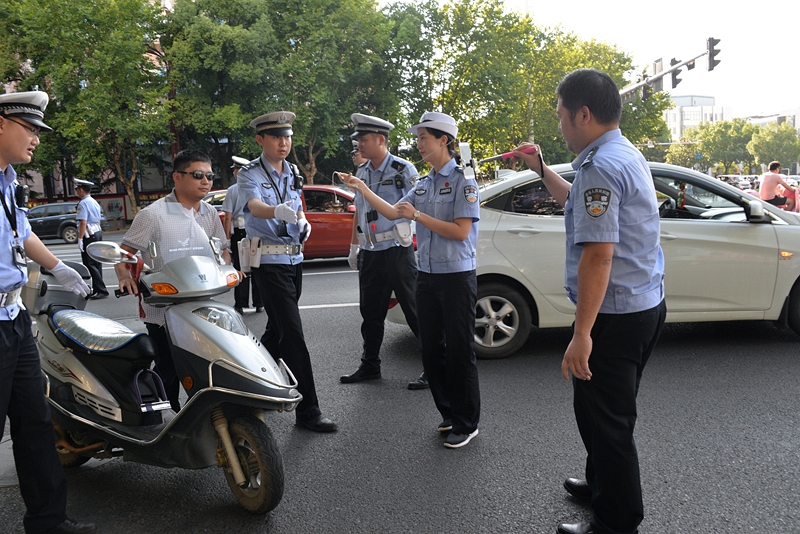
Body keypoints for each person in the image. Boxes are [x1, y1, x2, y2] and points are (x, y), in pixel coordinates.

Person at [513, 68, 666, 534]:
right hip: (640, 305)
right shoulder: (620, 152)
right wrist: (541, 169)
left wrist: (582, 334)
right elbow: (576, 202)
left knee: (608, 422)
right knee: (602, 411)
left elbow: (599, 255)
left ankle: (616, 521)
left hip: (614, 316)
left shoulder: (600, 164)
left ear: (583, 114)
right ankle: (601, 484)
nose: (559, 125)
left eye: (561, 115)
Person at [340, 111, 481, 449]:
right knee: (431, 350)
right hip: (428, 276)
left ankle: (467, 422)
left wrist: (418, 215)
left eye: (423, 138)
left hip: (456, 275)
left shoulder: (463, 181)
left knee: (460, 351)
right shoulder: (425, 182)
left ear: (443, 140)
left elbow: (461, 232)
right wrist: (361, 188)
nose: (418, 144)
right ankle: (449, 413)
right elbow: (392, 212)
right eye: (417, 138)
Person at [0, 90, 96, 533]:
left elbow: (21, 235)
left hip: (14, 318)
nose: (36, 139)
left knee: (35, 423)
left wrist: (59, 267)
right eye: (30, 128)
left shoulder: (9, 182)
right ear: (1, 123)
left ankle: (47, 521)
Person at [237, 111, 338, 433]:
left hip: (294, 260)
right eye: (276, 137)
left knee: (276, 332)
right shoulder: (249, 173)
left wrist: (303, 220)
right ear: (260, 139)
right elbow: (254, 207)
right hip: (269, 263)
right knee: (292, 335)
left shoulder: (293, 170)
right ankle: (308, 410)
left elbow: (297, 205)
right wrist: (275, 211)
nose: (284, 143)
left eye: (287, 137)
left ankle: (244, 386)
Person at [115, 149, 232, 412]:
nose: (206, 181)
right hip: (162, 308)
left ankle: (203, 415)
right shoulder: (153, 214)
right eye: (198, 175)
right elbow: (124, 254)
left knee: (203, 364)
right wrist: (124, 277)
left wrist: (228, 266)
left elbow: (223, 249)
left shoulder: (210, 213)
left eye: (210, 176)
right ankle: (165, 417)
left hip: (203, 305)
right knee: (168, 368)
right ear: (177, 177)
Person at [339, 113, 427, 390]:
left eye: (364, 140)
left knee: (414, 310)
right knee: (371, 313)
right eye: (358, 140)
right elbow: (359, 210)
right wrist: (354, 245)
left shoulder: (403, 170)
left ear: (380, 140)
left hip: (397, 250)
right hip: (371, 251)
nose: (359, 145)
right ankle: (370, 365)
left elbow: (420, 206)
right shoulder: (362, 172)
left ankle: (433, 365)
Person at [222, 155, 263, 315]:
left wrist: (226, 239)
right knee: (256, 266)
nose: (234, 172)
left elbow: (227, 217)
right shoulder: (257, 187)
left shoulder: (233, 190)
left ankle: (240, 304)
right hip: (255, 231)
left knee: (240, 268)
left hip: (239, 233)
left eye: (235, 169)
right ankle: (259, 303)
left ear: (238, 172)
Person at [74, 179, 108, 299]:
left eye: (77, 189)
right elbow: (98, 220)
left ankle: (101, 289)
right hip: (96, 232)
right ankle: (98, 289)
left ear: (81, 189)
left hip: (89, 234)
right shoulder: (94, 201)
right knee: (97, 262)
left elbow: (83, 222)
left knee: (89, 263)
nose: (76, 191)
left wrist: (80, 239)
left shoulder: (83, 203)